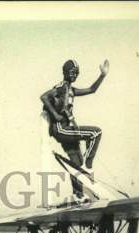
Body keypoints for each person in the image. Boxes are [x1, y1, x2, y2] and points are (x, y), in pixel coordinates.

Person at [41, 59, 109, 198]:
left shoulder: (70, 89)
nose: (74, 75)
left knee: (76, 162)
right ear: (65, 72)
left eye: (77, 73)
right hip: (61, 129)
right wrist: (55, 115)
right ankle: (87, 167)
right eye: (72, 72)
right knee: (95, 132)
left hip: (66, 129)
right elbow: (44, 97)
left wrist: (102, 75)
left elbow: (92, 89)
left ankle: (77, 195)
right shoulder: (61, 87)